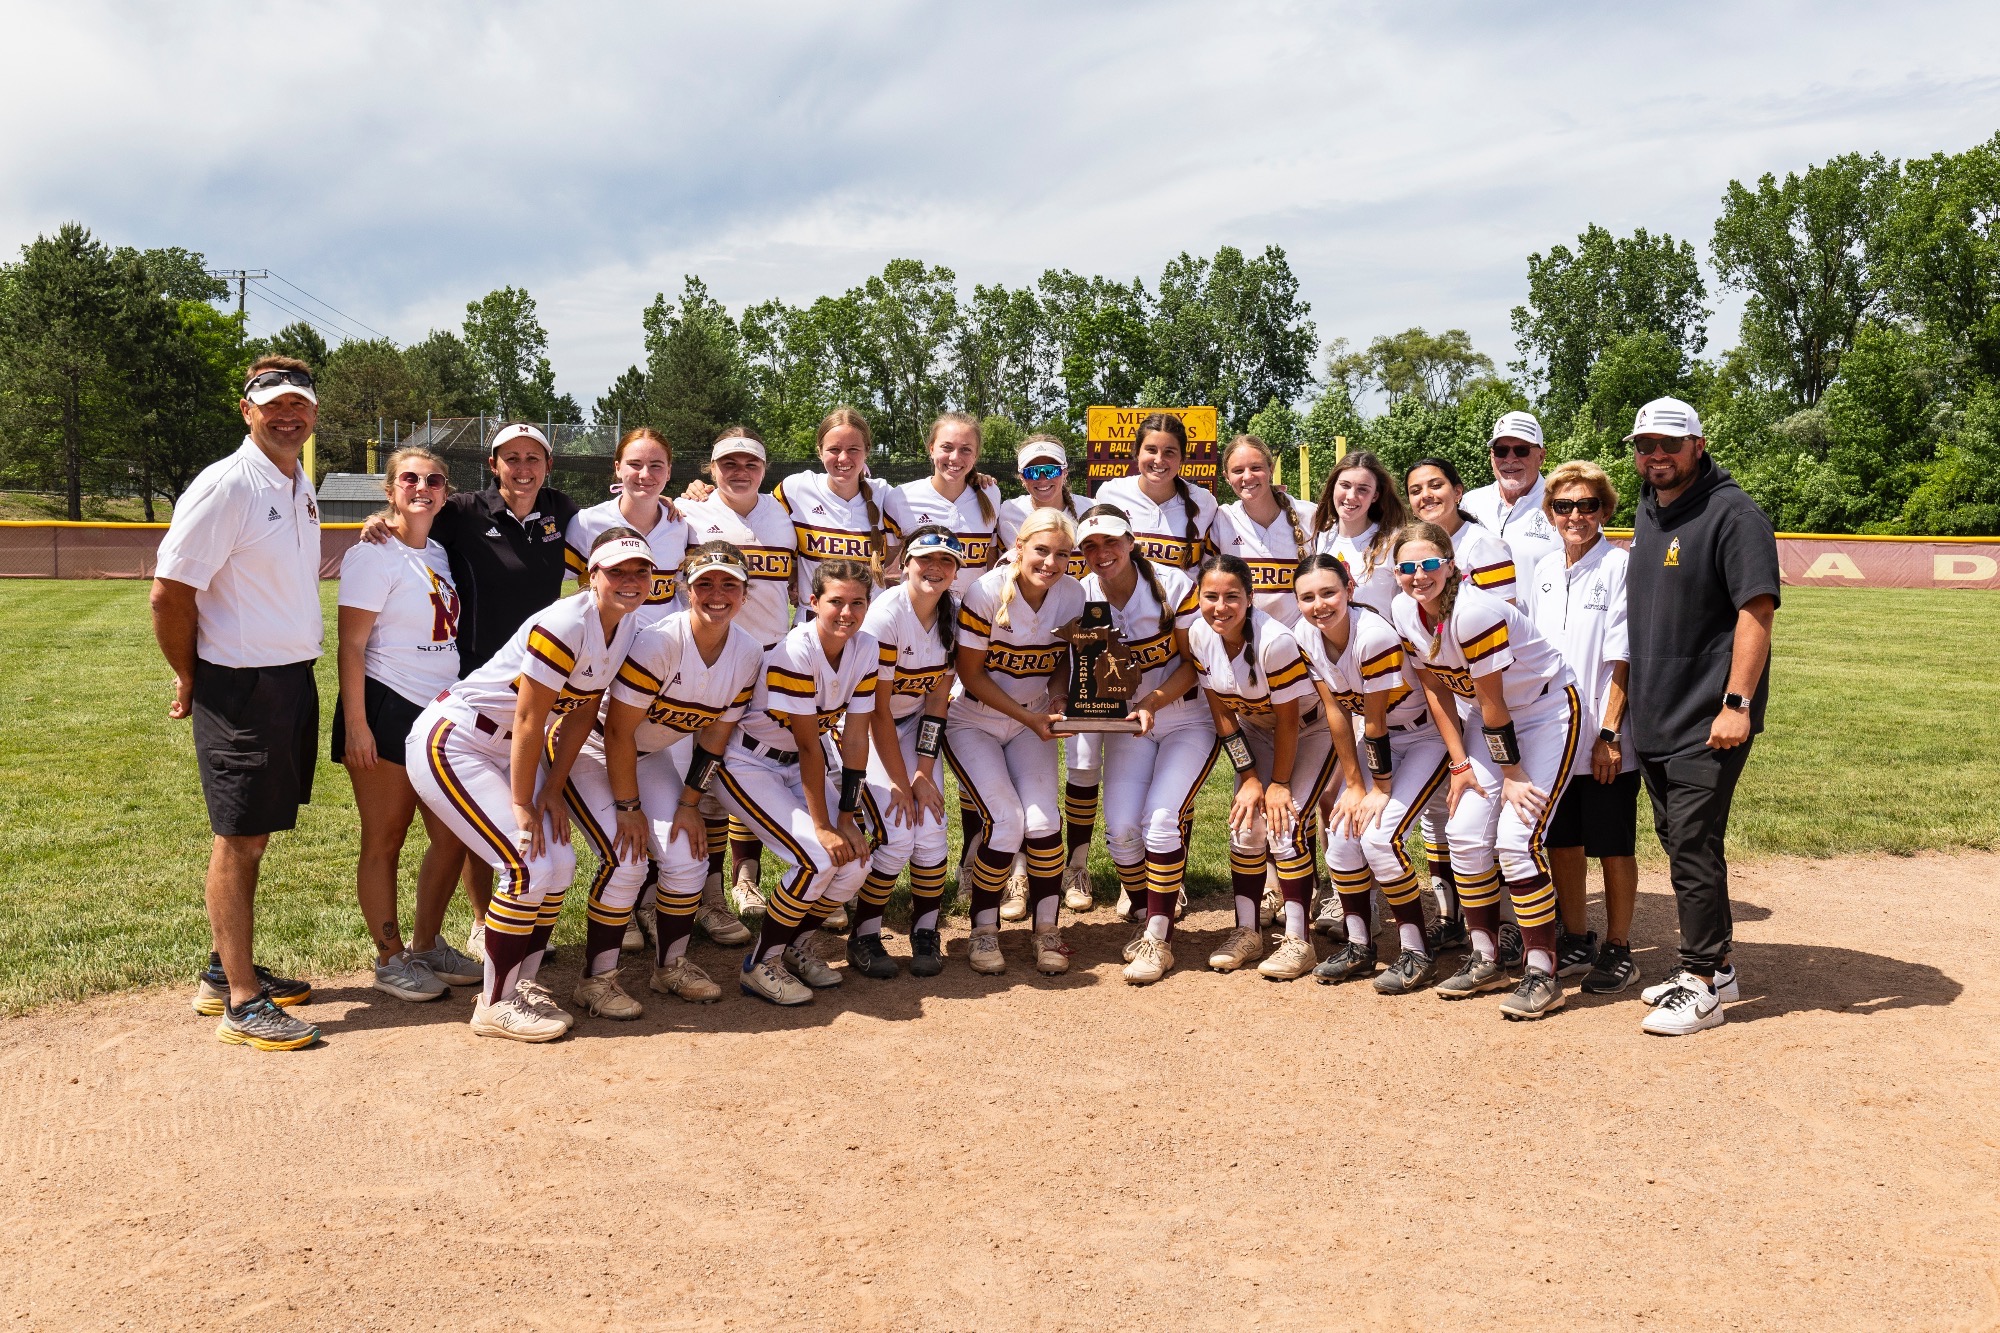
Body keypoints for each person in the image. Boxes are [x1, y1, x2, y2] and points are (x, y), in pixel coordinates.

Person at [407, 527, 651, 1041]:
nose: (630, 580)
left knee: (558, 863)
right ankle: (493, 1005)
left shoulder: (626, 625)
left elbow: (581, 711)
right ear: (592, 575)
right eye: (617, 571)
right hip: (458, 740)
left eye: (640, 570)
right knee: (525, 862)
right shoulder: (566, 622)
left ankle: (521, 985)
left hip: (508, 749)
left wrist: (553, 789)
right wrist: (523, 803)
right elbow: (528, 718)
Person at [151, 355, 325, 1051]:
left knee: (257, 831)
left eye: (299, 404)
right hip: (241, 684)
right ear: (247, 410)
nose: (288, 415)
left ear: (313, 414)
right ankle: (244, 1003)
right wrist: (188, 674)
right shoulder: (228, 484)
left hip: (288, 678)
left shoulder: (296, 479)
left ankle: (224, 973)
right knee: (240, 837)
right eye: (273, 404)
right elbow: (169, 592)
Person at [362, 420, 581, 966]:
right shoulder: (463, 511)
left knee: (496, 811)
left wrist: (684, 499)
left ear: (548, 466)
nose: (523, 469)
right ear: (493, 465)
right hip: (469, 686)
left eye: (533, 458)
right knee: (465, 815)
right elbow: (411, 519)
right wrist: (380, 521)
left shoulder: (562, 510)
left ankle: (495, 920)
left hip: (536, 684)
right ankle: (481, 925)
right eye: (511, 458)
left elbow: (623, 517)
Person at [554, 541, 766, 1017]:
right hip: (590, 749)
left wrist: (689, 804)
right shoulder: (661, 642)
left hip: (646, 755)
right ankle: (595, 980)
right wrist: (629, 809)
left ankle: (670, 967)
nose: (717, 594)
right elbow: (616, 732)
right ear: (686, 589)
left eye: (729, 584)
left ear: (745, 594)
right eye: (705, 583)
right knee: (627, 860)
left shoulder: (748, 653)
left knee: (688, 858)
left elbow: (715, 738)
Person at [1623, 397, 1779, 1036]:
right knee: (1684, 840)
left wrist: (1737, 704)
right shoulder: (1650, 507)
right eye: (1645, 445)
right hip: (1657, 711)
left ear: (1698, 444)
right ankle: (1718, 966)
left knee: (1690, 844)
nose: (1656, 455)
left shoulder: (1734, 514)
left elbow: (1757, 610)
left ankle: (1702, 984)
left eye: (1670, 443)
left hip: (1710, 717)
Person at [1389, 520, 1582, 1020]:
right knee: (1464, 833)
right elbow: (1436, 689)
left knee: (1517, 841)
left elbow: (1494, 701)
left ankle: (1543, 972)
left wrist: (1512, 773)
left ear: (1450, 565)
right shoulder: (1403, 609)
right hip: (1486, 719)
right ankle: (1485, 958)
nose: (1418, 575)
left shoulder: (1474, 611)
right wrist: (1458, 763)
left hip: (1543, 713)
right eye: (1407, 567)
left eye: (1429, 564)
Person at [333, 447, 481, 1003]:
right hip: (386, 705)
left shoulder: (439, 551)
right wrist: (357, 725)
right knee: (386, 837)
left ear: (445, 492)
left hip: (439, 710)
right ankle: (389, 957)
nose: (423, 488)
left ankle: (425, 945)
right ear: (391, 488)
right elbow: (351, 646)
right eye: (411, 479)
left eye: (434, 480)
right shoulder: (372, 554)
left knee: (453, 834)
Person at [563, 426, 706, 956]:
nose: (645, 475)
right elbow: (571, 592)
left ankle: (649, 900)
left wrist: (691, 497)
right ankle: (620, 897)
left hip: (664, 679)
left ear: (670, 472)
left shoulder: (681, 522)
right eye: (635, 464)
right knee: (613, 793)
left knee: (660, 789)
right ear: (616, 469)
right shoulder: (587, 522)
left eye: (656, 466)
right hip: (602, 673)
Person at [716, 560, 882, 1006]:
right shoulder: (796, 649)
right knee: (816, 856)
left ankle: (794, 946)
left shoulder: (866, 646)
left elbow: (856, 736)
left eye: (857, 603)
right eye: (836, 601)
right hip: (749, 763)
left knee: (856, 863)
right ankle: (760, 964)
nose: (846, 612)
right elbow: (809, 745)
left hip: (798, 764)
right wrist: (825, 826)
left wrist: (847, 818)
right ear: (813, 602)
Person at [1292, 554, 1451, 994]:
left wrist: (1377, 789)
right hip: (1381, 741)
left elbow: (1375, 719)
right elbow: (1336, 710)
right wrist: (1352, 785)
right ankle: (1359, 945)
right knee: (1342, 835)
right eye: (1307, 597)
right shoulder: (1304, 633)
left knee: (1380, 837)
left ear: (1349, 590)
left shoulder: (1373, 634)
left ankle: (1418, 952)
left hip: (1424, 737)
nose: (1319, 604)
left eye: (1329, 592)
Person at [1073, 506, 1219, 965]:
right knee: (1120, 831)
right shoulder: (1081, 594)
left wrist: (1152, 702)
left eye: (1111, 541)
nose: (1101, 552)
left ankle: (1159, 938)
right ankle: (1145, 910)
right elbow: (1078, 671)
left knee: (1159, 821)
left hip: (1186, 717)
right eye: (1090, 545)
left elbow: (1195, 665)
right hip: (1129, 724)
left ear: (1131, 541)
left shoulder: (1172, 585)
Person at [946, 509, 1085, 977]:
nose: (1050, 562)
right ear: (1019, 547)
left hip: (1032, 718)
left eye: (1062, 554)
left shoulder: (1072, 593)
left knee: (1044, 823)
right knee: (1006, 823)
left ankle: (1047, 929)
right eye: (1041, 550)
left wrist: (1059, 697)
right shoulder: (985, 591)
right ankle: (983, 929)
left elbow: (1062, 659)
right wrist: (1031, 716)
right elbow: (970, 675)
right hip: (975, 720)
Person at [1184, 553, 1333, 985]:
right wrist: (1250, 778)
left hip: (1310, 730)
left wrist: (1278, 783)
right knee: (1246, 827)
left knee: (1285, 825)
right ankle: (1247, 933)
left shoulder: (1274, 641)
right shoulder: (1199, 634)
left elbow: (1288, 719)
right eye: (1211, 596)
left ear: (1250, 598)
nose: (1221, 606)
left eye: (1232, 596)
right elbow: (1222, 713)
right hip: (1255, 730)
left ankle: (1299, 940)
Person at [677, 428, 800, 929]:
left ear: (765, 469)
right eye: (728, 463)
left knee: (760, 768)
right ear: (710, 469)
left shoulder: (784, 514)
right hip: (711, 661)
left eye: (750, 463)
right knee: (705, 777)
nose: (740, 471)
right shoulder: (687, 512)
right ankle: (709, 896)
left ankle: (746, 877)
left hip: (771, 661)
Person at [1529, 461, 1640, 993]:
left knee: (1613, 843)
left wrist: (1609, 734)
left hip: (1602, 732)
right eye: (1564, 506)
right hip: (1552, 732)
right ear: (1550, 512)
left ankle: (1620, 947)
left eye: (1588, 505)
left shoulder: (1619, 566)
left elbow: (1623, 658)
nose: (1575, 515)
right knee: (1563, 840)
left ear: (1604, 510)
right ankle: (1576, 937)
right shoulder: (1545, 569)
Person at [1403, 456, 1519, 953]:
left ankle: (1509, 922)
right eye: (1416, 489)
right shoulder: (1411, 547)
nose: (1426, 495)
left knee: (1495, 816)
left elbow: (1499, 625)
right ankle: (1451, 915)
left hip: (1494, 692)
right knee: (1442, 811)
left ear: (1458, 490)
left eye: (1436, 485)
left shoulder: (1482, 544)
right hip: (1450, 690)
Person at [852, 526, 964, 980]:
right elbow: (877, 711)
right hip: (862, 726)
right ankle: (864, 935)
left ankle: (925, 931)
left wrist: (923, 773)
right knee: (897, 832)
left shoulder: (952, 614)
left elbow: (937, 701)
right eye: (925, 558)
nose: (935, 568)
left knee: (931, 828)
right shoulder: (886, 615)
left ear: (956, 571)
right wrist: (902, 782)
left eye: (946, 561)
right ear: (906, 564)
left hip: (912, 724)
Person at [996, 435, 1095, 913]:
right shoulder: (1005, 510)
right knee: (1015, 778)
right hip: (1023, 643)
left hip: (1085, 633)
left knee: (1083, 762)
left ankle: (1078, 867)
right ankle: (1014, 871)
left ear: (1065, 472)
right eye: (1032, 471)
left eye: (1050, 469)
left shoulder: (1091, 510)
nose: (1042, 478)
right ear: (1021, 477)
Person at [773, 408, 896, 601]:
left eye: (853, 449)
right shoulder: (795, 489)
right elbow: (759, 517)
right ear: (820, 451)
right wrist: (794, 575)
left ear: (867, 450)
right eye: (834, 449)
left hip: (870, 617)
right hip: (813, 616)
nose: (843, 458)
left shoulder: (886, 495)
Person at [886, 413, 1006, 596]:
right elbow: (883, 562)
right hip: (919, 609)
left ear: (976, 455)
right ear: (931, 449)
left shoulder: (990, 493)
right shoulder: (901, 497)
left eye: (966, 449)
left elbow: (991, 560)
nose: (955, 457)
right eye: (947, 447)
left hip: (972, 610)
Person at [1210, 434, 1316, 626]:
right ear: (1226, 477)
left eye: (1256, 468)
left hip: (1302, 635)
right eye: (1238, 470)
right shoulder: (1222, 519)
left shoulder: (1309, 515)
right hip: (1246, 635)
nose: (1247, 476)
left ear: (1271, 469)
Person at [1463, 410, 1561, 614]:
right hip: (1480, 630)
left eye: (1521, 450)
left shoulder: (1565, 505)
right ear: (1492, 457)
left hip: (1540, 631)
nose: (1509, 459)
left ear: (1541, 456)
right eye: (1501, 451)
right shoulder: (1470, 503)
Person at [1094, 412, 1217, 572]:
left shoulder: (1204, 501)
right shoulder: (1110, 494)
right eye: (1151, 450)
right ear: (1137, 452)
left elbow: (1211, 569)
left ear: (1182, 458)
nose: (1159, 460)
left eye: (1169, 452)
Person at [1307, 449, 1405, 615]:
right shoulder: (1317, 538)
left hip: (1381, 631)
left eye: (1363, 489)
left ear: (1375, 496)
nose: (1351, 496)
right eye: (1345, 485)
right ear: (1333, 487)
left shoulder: (1393, 542)